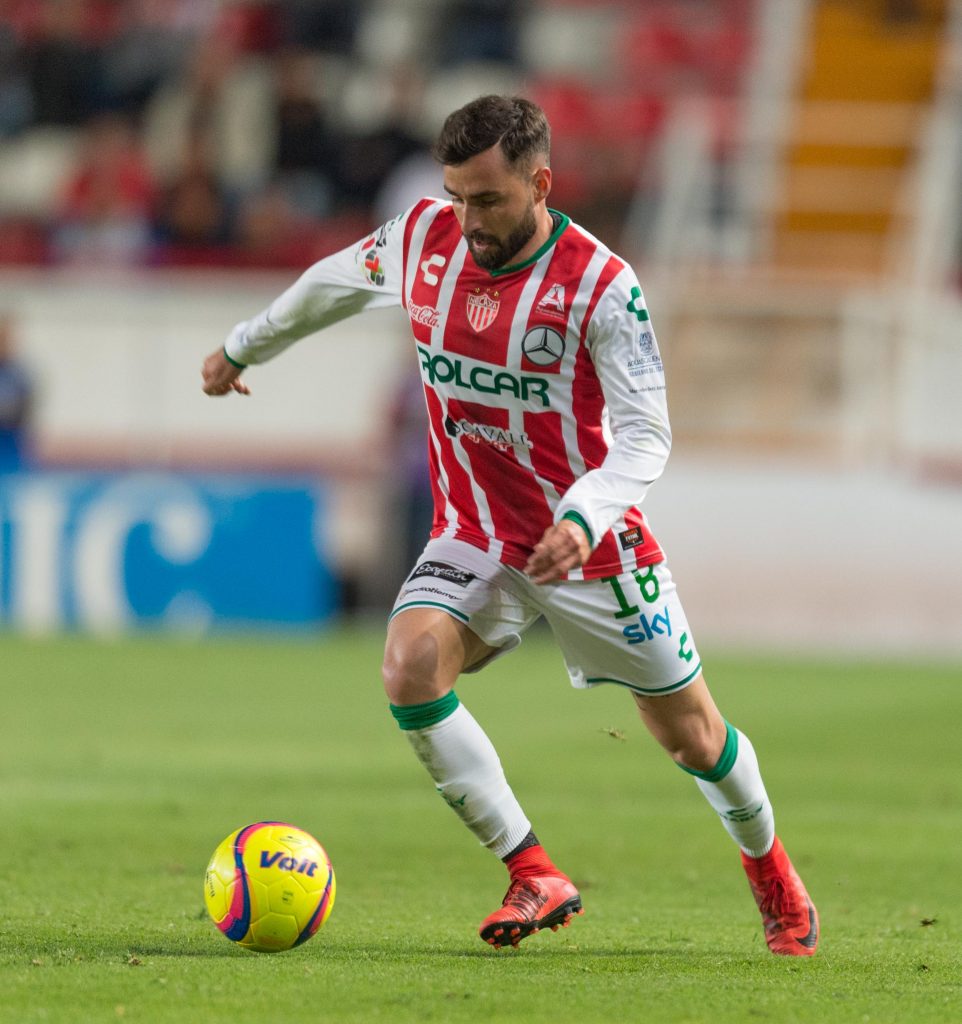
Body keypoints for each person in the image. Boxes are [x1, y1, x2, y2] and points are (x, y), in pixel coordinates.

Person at [201, 95, 819, 956]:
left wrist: (583, 513)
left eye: (486, 200)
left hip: (591, 548)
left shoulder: (603, 285)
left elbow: (647, 437)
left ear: (541, 183)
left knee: (693, 736)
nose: (467, 219)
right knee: (410, 665)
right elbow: (331, 286)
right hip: (474, 530)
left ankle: (774, 878)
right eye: (456, 196)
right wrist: (243, 346)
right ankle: (532, 868)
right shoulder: (424, 237)